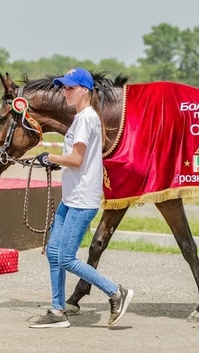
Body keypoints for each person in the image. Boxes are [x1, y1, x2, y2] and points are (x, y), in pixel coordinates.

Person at [28, 68, 133, 328]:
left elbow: (76, 159)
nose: (65, 92)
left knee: (65, 257)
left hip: (82, 201)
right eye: (63, 87)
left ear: (85, 90)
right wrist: (54, 163)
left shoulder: (86, 119)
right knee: (54, 252)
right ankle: (57, 311)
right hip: (71, 198)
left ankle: (115, 292)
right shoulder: (81, 118)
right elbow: (77, 161)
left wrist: (48, 157)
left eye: (70, 87)